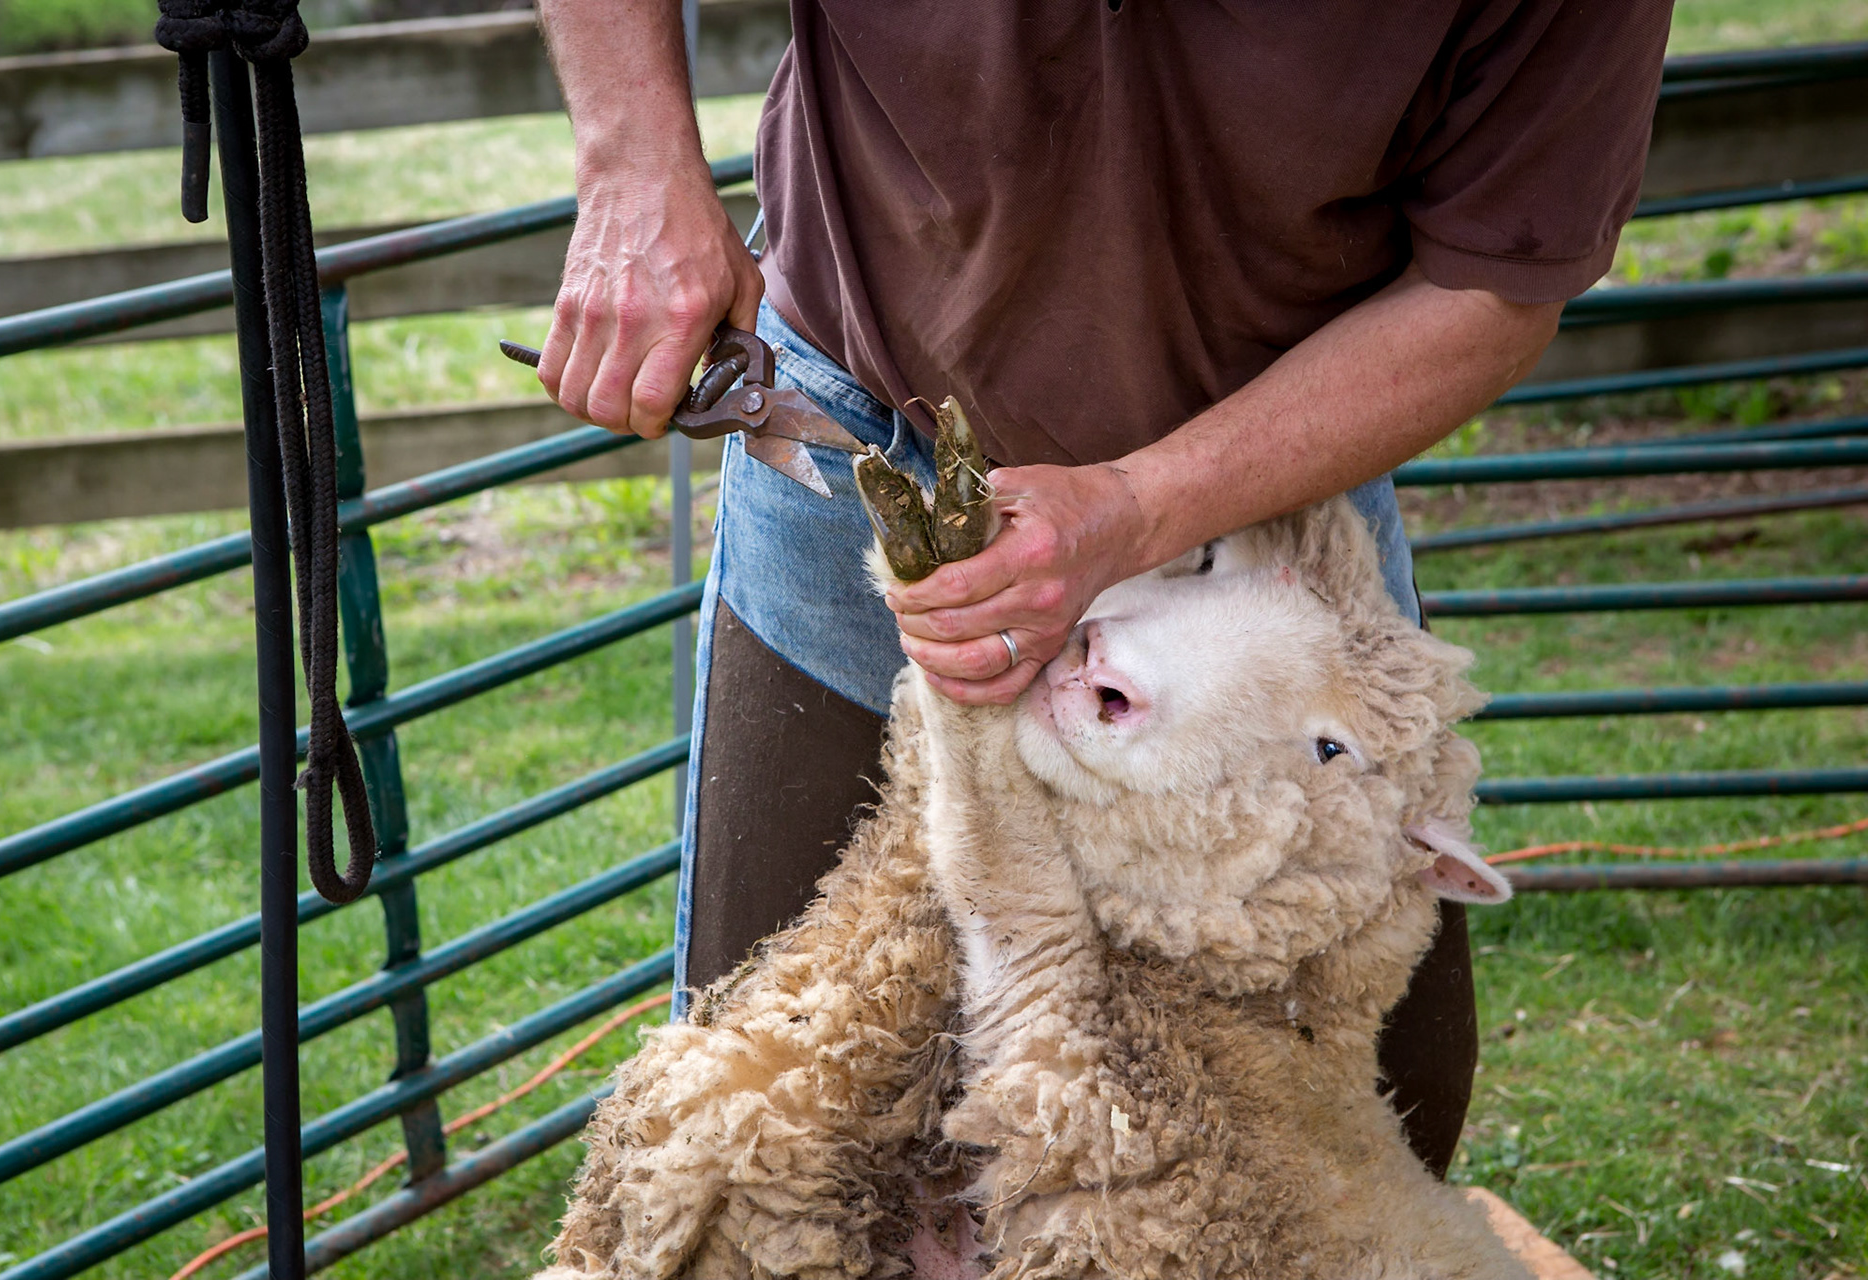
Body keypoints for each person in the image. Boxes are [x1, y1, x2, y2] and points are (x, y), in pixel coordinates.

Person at [533, 0, 1675, 1176]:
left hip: (1268, 471)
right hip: (856, 392)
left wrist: (1141, 503)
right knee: (767, 1115)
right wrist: (634, 162)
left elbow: (1493, 288)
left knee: (1369, 1111)